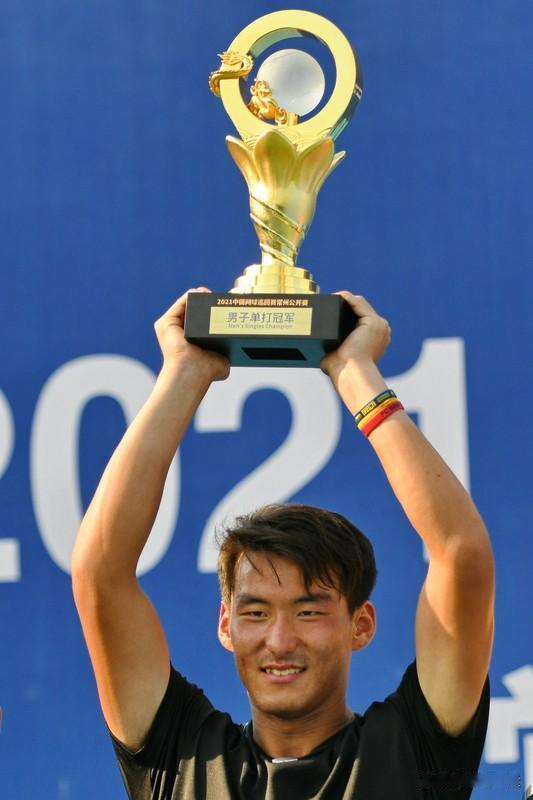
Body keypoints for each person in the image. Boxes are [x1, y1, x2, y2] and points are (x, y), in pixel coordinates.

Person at [72, 289, 495, 799]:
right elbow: (100, 573)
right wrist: (185, 373)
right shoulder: (180, 757)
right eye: (255, 613)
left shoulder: (415, 748)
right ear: (226, 624)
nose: (280, 640)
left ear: (360, 624)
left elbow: (461, 554)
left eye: (308, 611)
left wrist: (354, 372)